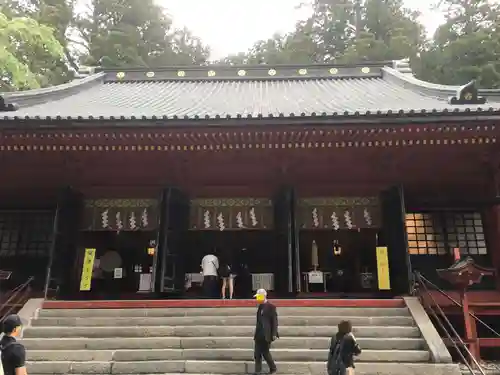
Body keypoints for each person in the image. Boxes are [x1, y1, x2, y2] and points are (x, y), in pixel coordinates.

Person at [253, 288, 278, 374]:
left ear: (263, 296)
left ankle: (273, 368)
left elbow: (274, 321)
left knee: (265, 353)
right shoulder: (260, 307)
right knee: (257, 354)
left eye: (258, 297)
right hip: (258, 334)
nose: (257, 299)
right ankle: (258, 371)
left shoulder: (271, 307)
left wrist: (274, 333)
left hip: (266, 334)